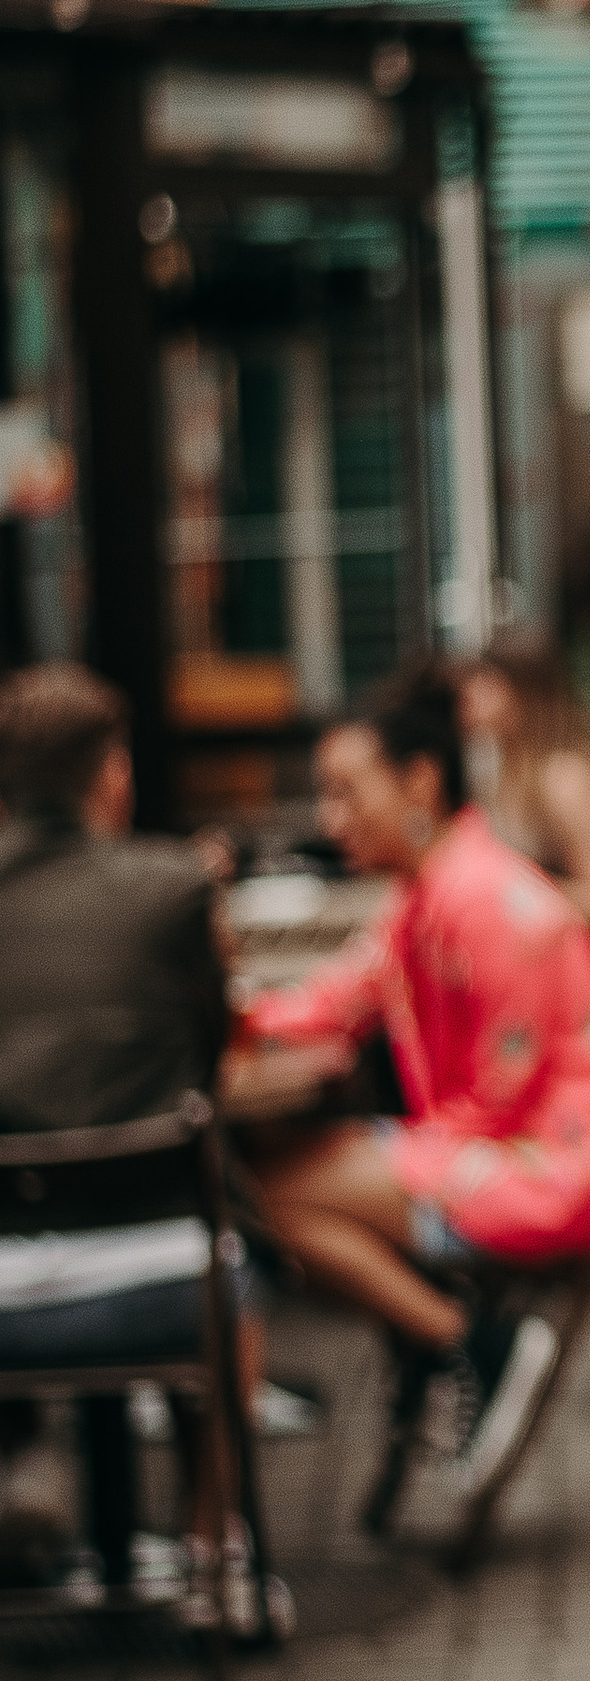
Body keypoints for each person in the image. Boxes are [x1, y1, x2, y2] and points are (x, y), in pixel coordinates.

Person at [234, 662, 590, 1499]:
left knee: (263, 1191)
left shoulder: (484, 898)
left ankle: (465, 1340)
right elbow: (334, 1000)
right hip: (496, 1148)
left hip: (552, 1167)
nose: (330, 818)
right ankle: (465, 1340)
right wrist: (230, 1010)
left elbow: (504, 1089)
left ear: (419, 779)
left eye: (348, 792)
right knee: (262, 1191)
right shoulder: (432, 889)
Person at [0, 664, 244, 1609]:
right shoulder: (173, 888)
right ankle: (215, 1548)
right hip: (158, 1279)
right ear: (112, 774)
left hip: (6, 1278)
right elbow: (211, 1051)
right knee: (231, 1252)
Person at [455, 633, 590, 946]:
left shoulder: (566, 778)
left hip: (585, 970)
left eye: (485, 681)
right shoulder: (504, 771)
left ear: (522, 691)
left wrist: (507, 891)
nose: (468, 694)